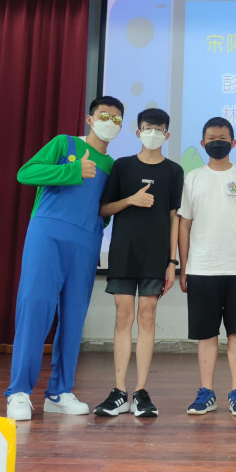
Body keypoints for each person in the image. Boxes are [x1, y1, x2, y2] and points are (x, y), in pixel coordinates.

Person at [5, 96, 124, 421]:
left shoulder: (113, 166)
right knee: (35, 308)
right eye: (105, 116)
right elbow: (26, 173)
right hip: (48, 234)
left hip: (86, 242)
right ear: (90, 119)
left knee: (73, 317)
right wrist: (72, 169)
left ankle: (59, 392)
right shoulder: (64, 143)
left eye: (117, 119)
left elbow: (103, 209)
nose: (110, 123)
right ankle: (18, 391)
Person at [93, 108, 184, 417]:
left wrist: (172, 261)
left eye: (158, 129)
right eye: (147, 128)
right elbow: (104, 208)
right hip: (124, 253)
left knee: (147, 316)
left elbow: (174, 217)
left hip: (156, 256)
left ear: (167, 135)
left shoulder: (174, 171)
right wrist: (131, 200)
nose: (153, 134)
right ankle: (119, 391)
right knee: (123, 317)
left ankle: (141, 392)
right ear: (138, 132)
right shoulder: (122, 166)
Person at [177, 117, 236, 416]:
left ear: (233, 142)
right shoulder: (193, 178)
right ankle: (206, 392)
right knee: (206, 334)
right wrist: (184, 267)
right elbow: (184, 225)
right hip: (202, 269)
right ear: (203, 143)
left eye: (223, 138)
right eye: (212, 138)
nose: (217, 142)